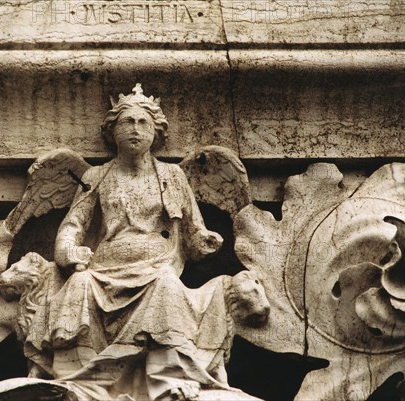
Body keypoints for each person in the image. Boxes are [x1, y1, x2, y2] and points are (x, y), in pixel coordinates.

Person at [28, 84, 256, 401]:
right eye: (128, 122)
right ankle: (77, 379)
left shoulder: (172, 175)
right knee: (79, 283)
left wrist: (204, 239)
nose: (136, 129)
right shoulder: (96, 177)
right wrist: (67, 250)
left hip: (157, 269)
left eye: (143, 123)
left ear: (155, 132)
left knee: (166, 285)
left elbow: (192, 230)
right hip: (104, 270)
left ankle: (168, 379)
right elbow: (73, 224)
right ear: (113, 129)